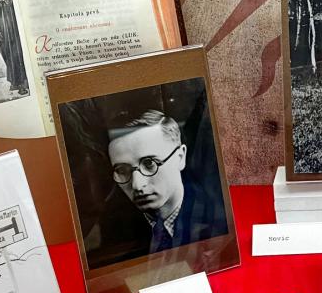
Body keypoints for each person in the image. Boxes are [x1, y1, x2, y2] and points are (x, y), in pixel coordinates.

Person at [93, 109, 226, 267]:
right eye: (122, 170)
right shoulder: (117, 228)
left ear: (180, 157)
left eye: (150, 163)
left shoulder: (217, 219)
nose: (137, 185)